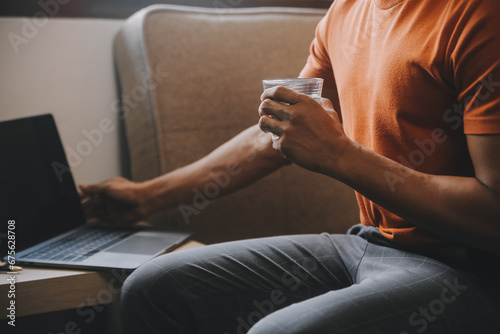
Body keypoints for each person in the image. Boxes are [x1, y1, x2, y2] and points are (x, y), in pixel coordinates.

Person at [80, 0, 500, 333]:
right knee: (154, 289)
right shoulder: (346, 11)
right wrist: (146, 197)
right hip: (369, 243)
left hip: (471, 267)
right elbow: (280, 134)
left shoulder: (478, 12)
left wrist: (339, 155)